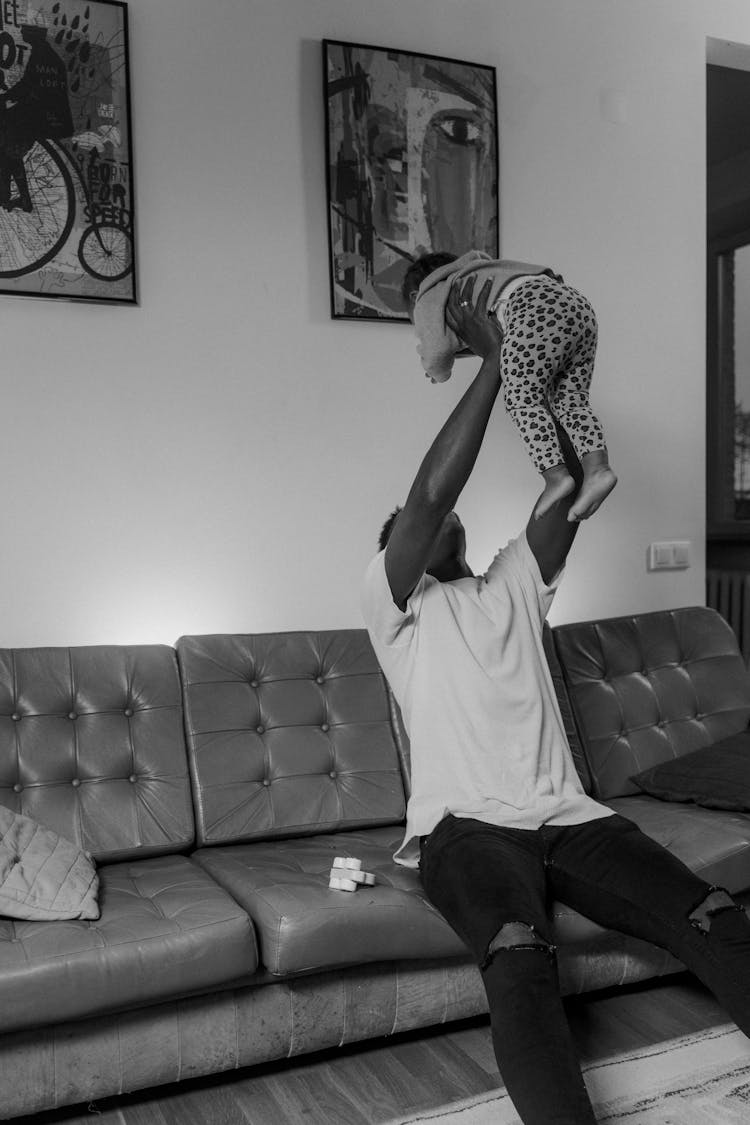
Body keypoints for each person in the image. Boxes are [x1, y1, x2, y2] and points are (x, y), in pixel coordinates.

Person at [361, 276, 750, 1125]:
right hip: (462, 829)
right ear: (398, 550)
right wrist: (495, 364)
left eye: (431, 522)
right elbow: (427, 496)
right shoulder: (393, 611)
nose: (425, 522)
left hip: (570, 817)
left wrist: (544, 367)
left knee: (710, 911)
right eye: (408, 528)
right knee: (517, 953)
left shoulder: (513, 581)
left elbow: (571, 483)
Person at [403, 249, 617, 523]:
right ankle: (598, 469)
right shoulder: (483, 272)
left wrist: (436, 372)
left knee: (523, 399)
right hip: (576, 306)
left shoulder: (429, 295)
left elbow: (435, 350)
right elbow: (476, 337)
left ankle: (556, 477)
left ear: (414, 297)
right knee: (571, 400)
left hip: (535, 308)